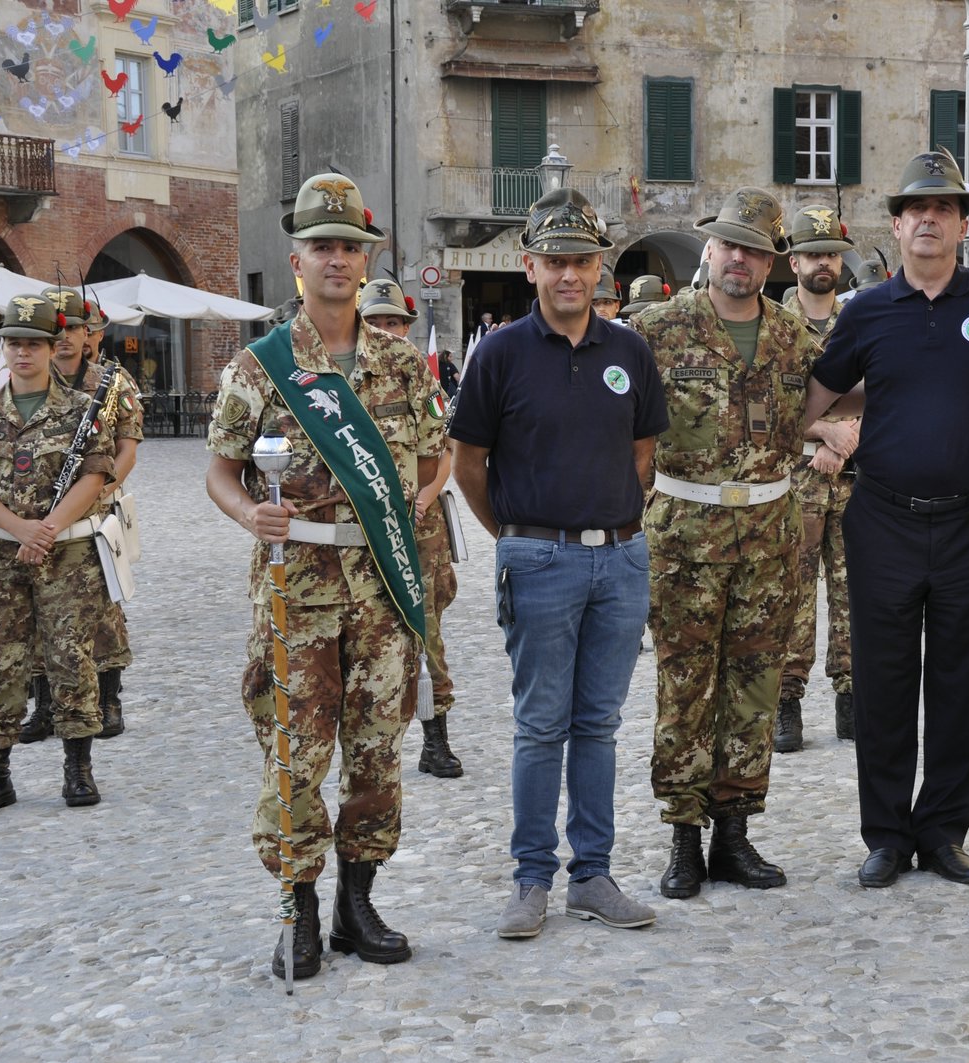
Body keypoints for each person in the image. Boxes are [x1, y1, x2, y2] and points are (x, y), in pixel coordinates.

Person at [205, 172, 443, 980]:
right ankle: (298, 908)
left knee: (377, 744)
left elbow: (436, 458)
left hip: (381, 580)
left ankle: (359, 900)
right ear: (297, 259)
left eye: (349, 246)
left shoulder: (403, 365)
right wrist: (250, 517)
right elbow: (220, 473)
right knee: (296, 749)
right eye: (321, 247)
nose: (337, 259)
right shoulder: (261, 365)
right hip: (297, 583)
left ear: (366, 257)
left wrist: (412, 503)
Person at [449, 188, 667, 939]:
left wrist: (609, 523)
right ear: (529, 266)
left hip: (620, 563)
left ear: (599, 266)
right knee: (541, 725)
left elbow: (642, 454)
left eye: (581, 261)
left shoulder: (629, 351)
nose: (569, 275)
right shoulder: (500, 352)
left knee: (599, 724)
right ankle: (531, 876)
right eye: (555, 262)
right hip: (538, 558)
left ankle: (594, 874)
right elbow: (467, 462)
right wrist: (514, 535)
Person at [804, 149, 969, 889]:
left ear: (963, 223)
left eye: (944, 209)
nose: (929, 220)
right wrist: (827, 434)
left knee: (963, 682)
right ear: (895, 225)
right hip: (884, 520)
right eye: (915, 210)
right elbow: (813, 401)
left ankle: (945, 831)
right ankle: (888, 835)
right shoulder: (865, 313)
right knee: (884, 681)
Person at [631, 186, 821, 899]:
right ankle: (683, 836)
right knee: (685, 687)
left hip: (768, 538)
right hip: (684, 535)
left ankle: (735, 831)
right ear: (709, 248)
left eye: (755, 249)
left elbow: (836, 400)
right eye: (730, 244)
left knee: (755, 684)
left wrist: (838, 432)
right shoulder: (656, 330)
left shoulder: (793, 336)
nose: (740, 258)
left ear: (773, 263)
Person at [0, 293, 115, 816]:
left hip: (67, 555)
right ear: (3, 348)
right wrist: (21, 528)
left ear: (52, 347)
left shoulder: (80, 413)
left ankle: (78, 769)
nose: (23, 353)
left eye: (34, 344)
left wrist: (49, 528)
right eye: (14, 343)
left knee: (71, 658)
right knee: (0, 660)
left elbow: (96, 473)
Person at [16, 286, 143, 743]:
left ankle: (108, 699)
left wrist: (102, 490)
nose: (66, 337)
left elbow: (127, 448)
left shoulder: (111, 383)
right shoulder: (30, 380)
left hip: (95, 514)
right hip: (40, 514)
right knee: (34, 611)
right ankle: (45, 704)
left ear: (88, 333)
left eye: (73, 328)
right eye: (58, 329)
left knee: (102, 612)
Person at [359, 278, 463, 779]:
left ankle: (435, 736)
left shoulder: (421, 381)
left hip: (420, 526)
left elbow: (445, 451)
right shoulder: (342, 383)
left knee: (426, 628)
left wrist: (424, 496)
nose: (388, 330)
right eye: (377, 322)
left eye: (395, 322)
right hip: (361, 528)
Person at [775, 205, 858, 752]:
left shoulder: (862, 321)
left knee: (856, 591)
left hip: (858, 477)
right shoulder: (774, 326)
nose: (821, 262)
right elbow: (769, 404)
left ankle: (853, 694)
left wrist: (850, 435)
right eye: (811, 253)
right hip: (795, 480)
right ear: (794, 261)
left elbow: (887, 392)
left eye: (829, 253)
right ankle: (787, 699)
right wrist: (824, 436)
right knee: (793, 595)